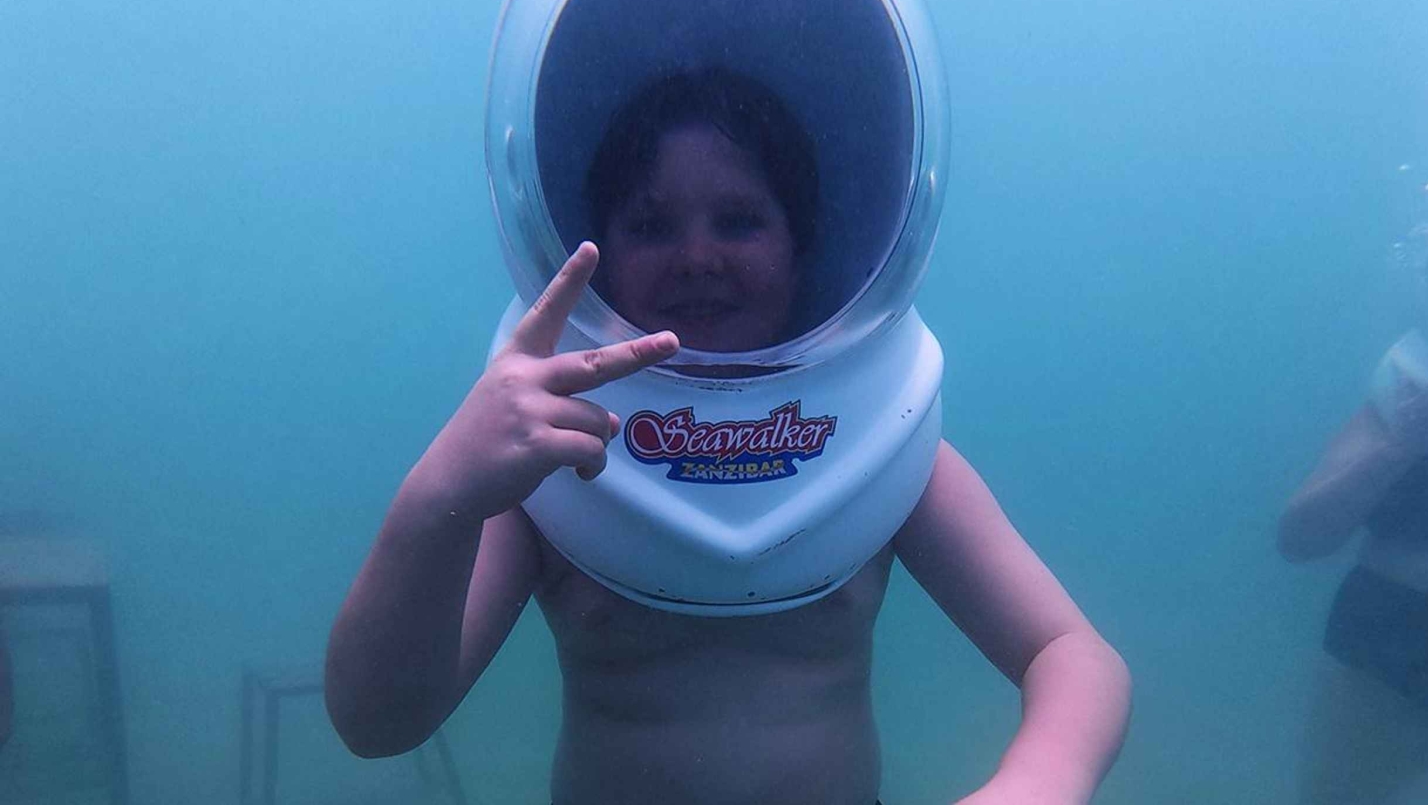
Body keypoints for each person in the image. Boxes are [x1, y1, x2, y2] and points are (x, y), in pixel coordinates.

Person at [326, 69, 1131, 805]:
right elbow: (376, 721)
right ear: (591, 255)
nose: (697, 255)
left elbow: (1075, 655)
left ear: (803, 247)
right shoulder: (558, 456)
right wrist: (439, 494)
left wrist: (1036, 782)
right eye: (651, 224)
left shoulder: (878, 444)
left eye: (739, 220)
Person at [1279, 356, 1428, 802]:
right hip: (1381, 658)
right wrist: (1404, 443)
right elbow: (1299, 538)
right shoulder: (1422, 380)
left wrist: (1392, 560)